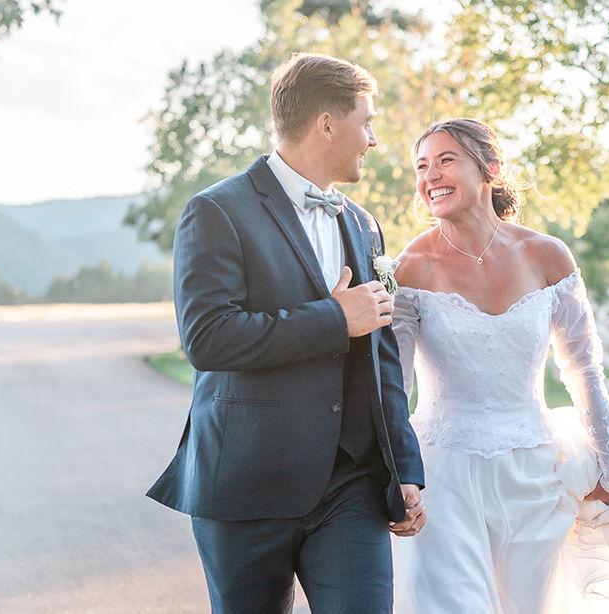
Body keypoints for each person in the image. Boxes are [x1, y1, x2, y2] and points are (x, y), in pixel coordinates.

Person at [389, 118, 609, 613]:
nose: (431, 176)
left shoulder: (547, 256)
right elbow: (393, 387)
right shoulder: (410, 268)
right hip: (443, 478)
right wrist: (396, 472)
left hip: (535, 476)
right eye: (422, 166)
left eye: (446, 160)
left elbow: (583, 369)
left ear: (490, 168)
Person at [145, 53, 425, 614]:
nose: (373, 139)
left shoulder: (363, 223)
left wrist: (404, 467)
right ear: (327, 124)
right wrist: (335, 319)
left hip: (350, 487)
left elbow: (382, 357)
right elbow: (208, 338)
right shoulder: (217, 211)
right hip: (247, 484)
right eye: (366, 122)